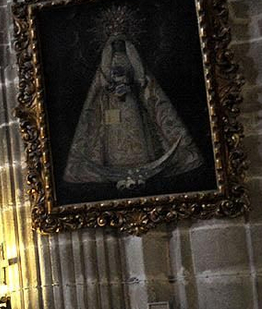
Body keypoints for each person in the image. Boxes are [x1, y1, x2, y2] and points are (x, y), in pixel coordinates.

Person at [63, 31, 202, 191]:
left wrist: (131, 84)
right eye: (114, 42)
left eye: (120, 42)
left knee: (136, 128)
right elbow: (101, 81)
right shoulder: (107, 60)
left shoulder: (132, 57)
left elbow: (141, 78)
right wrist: (111, 86)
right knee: (114, 131)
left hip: (131, 101)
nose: (118, 45)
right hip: (112, 105)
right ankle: (115, 165)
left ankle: (141, 164)